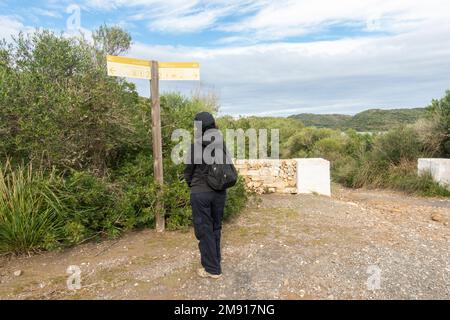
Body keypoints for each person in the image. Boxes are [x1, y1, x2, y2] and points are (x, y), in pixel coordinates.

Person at [183, 111, 227, 279]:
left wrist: (190, 183)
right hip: (219, 192)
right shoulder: (221, 143)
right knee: (216, 227)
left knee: (204, 230)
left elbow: (189, 171)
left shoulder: (196, 145)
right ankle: (215, 260)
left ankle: (212, 269)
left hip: (201, 192)